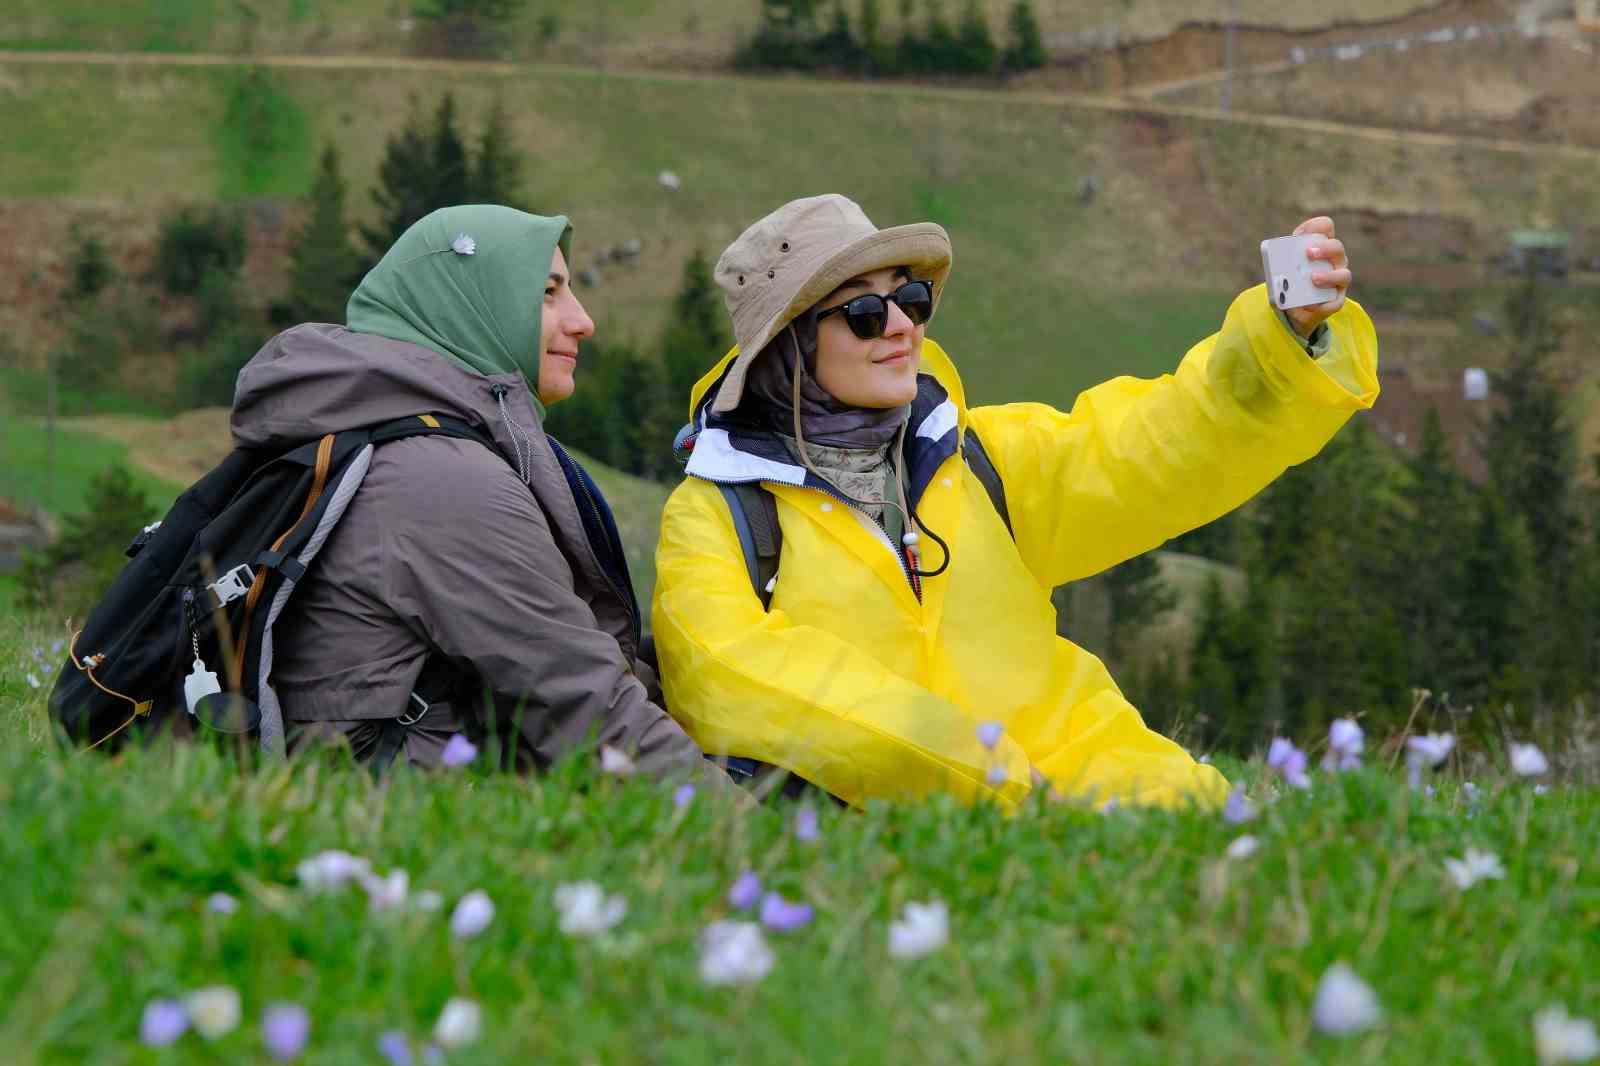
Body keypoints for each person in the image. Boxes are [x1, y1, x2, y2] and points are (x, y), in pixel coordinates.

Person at [652, 194, 1377, 811]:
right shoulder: (717, 514)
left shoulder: (981, 458)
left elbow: (1165, 442)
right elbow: (729, 676)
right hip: (914, 848)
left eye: (910, 298)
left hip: (1116, 790)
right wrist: (983, 776)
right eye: (867, 312)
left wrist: (1283, 338)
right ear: (789, 346)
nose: (904, 326)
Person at [230, 204, 714, 780]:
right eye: (547, 292)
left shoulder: (381, 438)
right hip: (402, 828)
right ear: (468, 305)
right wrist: (750, 836)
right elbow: (586, 706)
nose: (584, 321)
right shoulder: (440, 482)